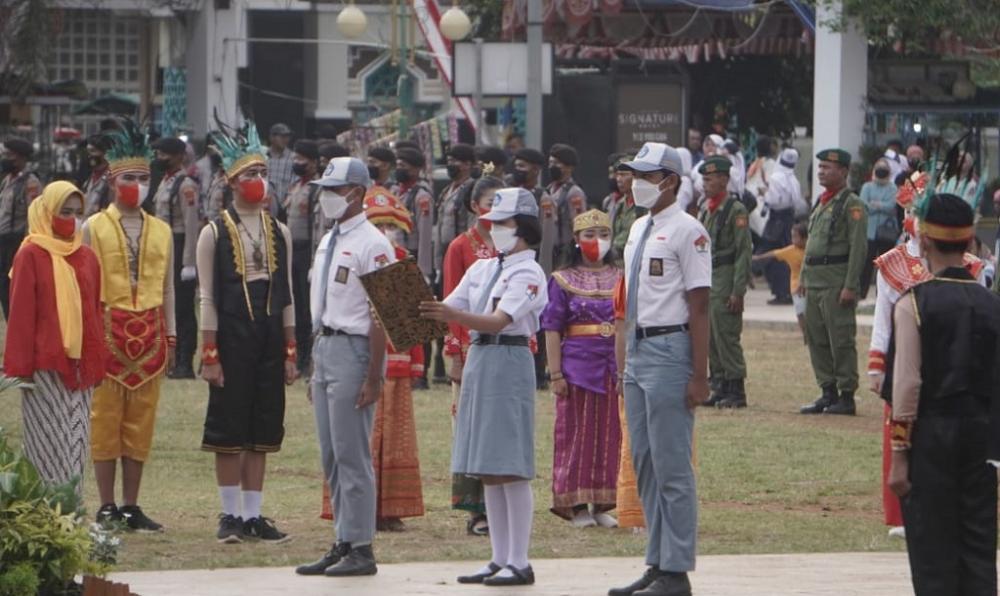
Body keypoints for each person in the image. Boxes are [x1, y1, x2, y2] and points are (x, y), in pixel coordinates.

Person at [420, 187, 549, 587]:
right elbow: (448, 304)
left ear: (523, 227)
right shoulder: (483, 267)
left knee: (510, 463)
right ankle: (499, 557)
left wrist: (451, 313)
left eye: (504, 223)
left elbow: (498, 320)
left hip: (508, 358)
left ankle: (520, 559)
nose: (495, 230)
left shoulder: (529, 272)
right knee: (488, 466)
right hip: (480, 358)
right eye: (493, 223)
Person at [610, 142, 710, 596]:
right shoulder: (637, 228)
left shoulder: (689, 231)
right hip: (638, 346)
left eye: (646, 176)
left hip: (671, 346)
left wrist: (700, 372)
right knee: (645, 461)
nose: (637, 183)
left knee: (672, 464)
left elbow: (700, 304)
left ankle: (677, 569)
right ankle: (658, 559)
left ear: (669, 180)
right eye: (635, 174)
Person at [888, 192, 1000, 596]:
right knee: (978, 551)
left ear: (924, 242)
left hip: (931, 438)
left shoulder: (913, 304)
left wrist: (899, 457)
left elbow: (907, 386)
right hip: (983, 439)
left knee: (934, 552)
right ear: (970, 243)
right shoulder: (992, 304)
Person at [868, 170, 984, 541]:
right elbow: (882, 319)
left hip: (957, 361)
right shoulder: (891, 264)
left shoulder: (975, 268)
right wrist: (877, 364)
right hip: (907, 360)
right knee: (899, 428)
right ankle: (901, 512)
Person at [196, 119, 298, 544]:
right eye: (248, 175)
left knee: (263, 426)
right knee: (229, 427)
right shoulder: (212, 232)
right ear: (230, 181)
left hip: (270, 334)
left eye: (260, 173)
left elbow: (289, 293)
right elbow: (207, 297)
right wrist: (209, 353)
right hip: (231, 333)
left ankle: (254, 515)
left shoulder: (281, 231)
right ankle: (229, 514)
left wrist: (292, 348)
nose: (257, 181)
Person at [295, 157, 393, 577]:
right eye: (325, 190)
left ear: (357, 193)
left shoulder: (375, 243)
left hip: (355, 350)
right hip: (326, 348)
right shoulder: (328, 238)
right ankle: (343, 537)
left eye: (335, 191)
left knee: (353, 454)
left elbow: (383, 315)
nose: (327, 198)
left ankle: (361, 547)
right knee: (332, 454)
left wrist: (374, 374)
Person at [83, 121, 174, 532]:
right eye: (128, 178)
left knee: (142, 420)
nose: (136, 185)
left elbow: (169, 288)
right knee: (105, 419)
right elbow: (86, 288)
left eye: (143, 178)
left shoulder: (163, 230)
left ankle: (132, 505)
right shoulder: (94, 227)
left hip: (151, 333)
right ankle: (105, 505)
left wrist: (171, 335)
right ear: (111, 179)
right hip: (107, 331)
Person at [3, 181, 106, 496]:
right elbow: (20, 314)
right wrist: (19, 370)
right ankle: (46, 515)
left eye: (77, 213)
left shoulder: (87, 256)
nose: (72, 219)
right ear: (48, 211)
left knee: (75, 441)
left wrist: (98, 362)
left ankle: (71, 516)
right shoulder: (31, 253)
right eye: (65, 211)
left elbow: (95, 312)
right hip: (44, 366)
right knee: (47, 442)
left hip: (80, 368)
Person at [541, 209, 622, 527]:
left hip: (613, 366)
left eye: (603, 235)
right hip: (577, 367)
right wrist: (556, 373)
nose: (597, 242)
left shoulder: (621, 276)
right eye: (590, 235)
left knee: (610, 434)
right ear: (576, 240)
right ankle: (573, 504)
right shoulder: (562, 280)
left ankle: (603, 504)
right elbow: (551, 327)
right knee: (577, 435)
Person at [441, 174, 501, 536]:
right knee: (470, 427)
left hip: (503, 350)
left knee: (498, 426)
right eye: (490, 201)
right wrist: (455, 352)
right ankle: (476, 509)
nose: (495, 208)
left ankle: (499, 506)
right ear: (474, 205)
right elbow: (451, 301)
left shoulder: (514, 244)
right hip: (470, 349)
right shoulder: (461, 246)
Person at [799, 149, 867, 416]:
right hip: (815, 281)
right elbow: (811, 245)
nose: (821, 172)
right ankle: (827, 391)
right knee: (816, 338)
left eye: (828, 167)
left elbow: (858, 248)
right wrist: (804, 276)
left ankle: (846, 395)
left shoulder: (852, 205)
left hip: (836, 282)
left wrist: (850, 285)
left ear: (844, 172)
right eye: (820, 167)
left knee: (840, 339)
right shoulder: (822, 202)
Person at [697, 156, 752, 409]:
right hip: (708, 278)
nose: (705, 184)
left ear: (723, 179)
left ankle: (735, 387)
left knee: (726, 334)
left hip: (726, 278)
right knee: (711, 335)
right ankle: (718, 383)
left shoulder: (735, 210)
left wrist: (737, 290)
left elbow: (743, 252)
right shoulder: (706, 209)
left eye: (709, 179)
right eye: (703, 179)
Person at [151, 136, 200, 380]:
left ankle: (184, 361)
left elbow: (191, 225)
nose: (160, 159)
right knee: (164, 306)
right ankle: (167, 358)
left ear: (180, 156)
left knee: (182, 308)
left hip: (180, 246)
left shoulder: (185, 185)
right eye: (159, 154)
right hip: (163, 247)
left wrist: (189, 262)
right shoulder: (165, 182)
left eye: (165, 155)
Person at [283, 140, 321, 374]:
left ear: (314, 162)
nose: (297, 163)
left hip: (308, 250)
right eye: (295, 159)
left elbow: (318, 227)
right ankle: (295, 353)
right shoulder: (294, 186)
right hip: (292, 250)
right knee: (294, 305)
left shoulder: (317, 188)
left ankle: (307, 357)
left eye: (302, 160)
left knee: (307, 308)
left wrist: (314, 261)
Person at [611, 276, 644, 531]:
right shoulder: (628, 279)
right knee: (635, 441)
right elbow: (621, 327)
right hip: (636, 365)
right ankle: (636, 513)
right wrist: (621, 374)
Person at [0, 138, 42, 318]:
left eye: (9, 156)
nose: (5, 159)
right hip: (3, 241)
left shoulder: (30, 182)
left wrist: (27, 245)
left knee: (13, 289)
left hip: (16, 243)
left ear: (21, 158)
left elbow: (34, 216)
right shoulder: (7, 180)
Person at [756, 148, 803, 304]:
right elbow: (797, 202)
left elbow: (774, 200)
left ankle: (781, 292)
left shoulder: (776, 178)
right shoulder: (793, 179)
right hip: (788, 219)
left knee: (771, 256)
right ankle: (786, 291)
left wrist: (764, 194)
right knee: (786, 254)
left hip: (776, 220)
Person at [753, 222, 808, 341]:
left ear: (804, 238)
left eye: (796, 237)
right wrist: (758, 257)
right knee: (800, 311)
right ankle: (805, 335)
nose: (793, 239)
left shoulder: (810, 251)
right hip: (796, 287)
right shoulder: (790, 250)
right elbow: (774, 253)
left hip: (809, 286)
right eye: (792, 236)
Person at [859, 157, 900, 299]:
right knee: (866, 264)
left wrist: (876, 205)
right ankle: (861, 293)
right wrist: (881, 205)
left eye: (884, 169)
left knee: (884, 265)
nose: (881, 172)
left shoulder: (892, 188)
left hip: (886, 232)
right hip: (869, 232)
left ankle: (882, 295)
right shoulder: (867, 187)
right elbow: (863, 206)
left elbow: (891, 206)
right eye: (879, 169)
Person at [435, 143, 477, 278]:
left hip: (461, 253)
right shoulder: (446, 190)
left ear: (467, 165)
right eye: (448, 161)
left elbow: (473, 227)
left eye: (454, 161)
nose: (450, 165)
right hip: (445, 252)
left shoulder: (471, 190)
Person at [511, 148, 555, 275]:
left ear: (535, 170)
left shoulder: (543, 198)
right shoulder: (511, 193)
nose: (517, 170)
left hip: (530, 259)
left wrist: (543, 271)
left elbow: (546, 240)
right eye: (516, 166)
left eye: (522, 166)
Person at [392, 147, 434, 281]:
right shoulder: (395, 193)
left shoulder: (421, 197)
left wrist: (423, 269)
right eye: (397, 165)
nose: (399, 169)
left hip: (411, 254)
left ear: (416, 169)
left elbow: (425, 234)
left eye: (403, 166)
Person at [547, 143, 589, 266]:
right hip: (550, 251)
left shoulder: (574, 193)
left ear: (569, 167)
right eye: (550, 163)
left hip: (565, 253)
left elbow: (579, 224)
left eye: (556, 164)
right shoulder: (549, 190)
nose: (552, 167)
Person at [603, 155, 646, 258]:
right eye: (617, 175)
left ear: (636, 176)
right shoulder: (619, 205)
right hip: (616, 263)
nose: (618, 179)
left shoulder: (645, 205)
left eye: (624, 175)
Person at [266, 123, 295, 215]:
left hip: (284, 208)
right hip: (264, 206)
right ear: (272, 138)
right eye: (282, 136)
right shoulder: (262, 156)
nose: (285, 140)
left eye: (287, 136)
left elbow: (294, 184)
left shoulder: (293, 158)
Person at [82, 134, 113, 217]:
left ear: (105, 153)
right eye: (88, 151)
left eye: (93, 151)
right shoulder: (90, 176)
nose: (89, 155)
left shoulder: (112, 178)